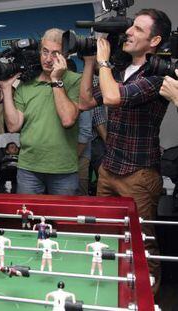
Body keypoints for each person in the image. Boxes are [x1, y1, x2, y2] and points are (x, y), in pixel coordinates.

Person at [79, 8, 172, 294]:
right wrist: (91, 64)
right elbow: (84, 102)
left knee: (143, 242)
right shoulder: (118, 71)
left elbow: (112, 97)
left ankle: (146, 299)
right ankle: (111, 294)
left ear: (154, 40)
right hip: (109, 168)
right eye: (131, 27)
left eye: (138, 30)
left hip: (139, 174)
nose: (129, 32)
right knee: (106, 236)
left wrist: (104, 62)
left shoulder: (158, 75)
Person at [0, 28, 81, 195]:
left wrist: (56, 80)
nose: (48, 59)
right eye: (45, 52)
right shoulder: (26, 84)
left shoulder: (74, 80)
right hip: (29, 169)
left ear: (64, 56)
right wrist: (7, 89)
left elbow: (68, 120)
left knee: (62, 221)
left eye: (55, 53)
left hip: (63, 170)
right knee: (28, 219)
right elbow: (13, 125)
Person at [77, 110, 93, 195]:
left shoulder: (81, 98)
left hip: (80, 154)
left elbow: (85, 133)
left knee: (80, 197)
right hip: (60, 157)